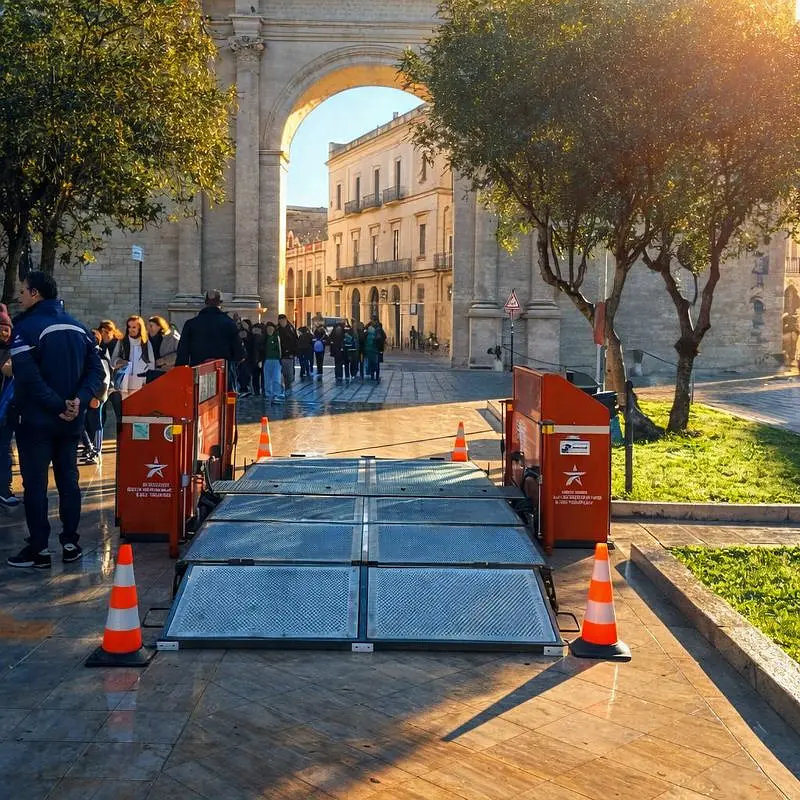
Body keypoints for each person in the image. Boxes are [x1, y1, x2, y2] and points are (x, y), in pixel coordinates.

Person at [7, 271, 104, 568]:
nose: (19, 296)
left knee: (35, 485)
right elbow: (96, 372)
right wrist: (77, 400)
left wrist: (56, 404)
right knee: (68, 481)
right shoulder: (79, 328)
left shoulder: (25, 328)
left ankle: (39, 549)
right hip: (71, 421)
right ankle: (71, 543)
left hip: (36, 420)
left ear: (35, 293)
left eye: (23, 291)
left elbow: (28, 376)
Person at [175, 291, 245, 381]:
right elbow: (239, 353)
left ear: (205, 302)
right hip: (223, 374)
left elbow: (182, 352)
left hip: (198, 373)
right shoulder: (229, 323)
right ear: (221, 303)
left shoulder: (191, 323)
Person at [79, 330, 111, 465]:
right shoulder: (87, 354)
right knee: (84, 423)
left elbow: (105, 378)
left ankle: (96, 450)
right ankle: (89, 447)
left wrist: (97, 397)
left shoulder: (100, 355)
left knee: (96, 424)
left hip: (96, 395)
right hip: (87, 394)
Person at [0, 304, 19, 507]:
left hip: (5, 410)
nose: (4, 332)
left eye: (6, 328)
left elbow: (9, 371)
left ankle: (4, 489)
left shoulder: (12, 349)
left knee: (4, 449)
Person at [113, 316, 155, 394]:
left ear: (140, 328)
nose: (131, 330)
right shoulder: (122, 342)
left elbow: (151, 363)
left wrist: (148, 381)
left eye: (134, 327)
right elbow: (113, 360)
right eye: (129, 327)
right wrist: (120, 361)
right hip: (124, 384)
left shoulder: (146, 343)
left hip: (141, 383)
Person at [98, 320, 124, 425]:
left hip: (117, 384)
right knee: (101, 412)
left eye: (107, 332)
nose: (104, 334)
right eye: (102, 332)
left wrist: (119, 363)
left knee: (119, 412)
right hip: (104, 383)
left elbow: (125, 360)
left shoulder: (120, 343)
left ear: (112, 331)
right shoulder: (100, 345)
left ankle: (121, 435)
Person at [261, 321, 283, 403]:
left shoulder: (277, 337)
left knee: (276, 377)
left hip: (276, 360)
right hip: (267, 360)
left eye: (271, 328)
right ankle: (268, 394)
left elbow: (280, 349)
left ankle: (276, 394)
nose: (269, 330)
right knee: (267, 378)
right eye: (268, 329)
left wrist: (281, 358)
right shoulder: (264, 338)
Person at [276, 314, 298, 390]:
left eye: (283, 320)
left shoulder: (291, 329)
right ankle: (282, 388)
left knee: (289, 374)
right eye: (280, 321)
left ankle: (288, 387)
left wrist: (294, 353)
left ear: (285, 320)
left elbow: (295, 341)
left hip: (289, 355)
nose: (281, 322)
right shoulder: (277, 329)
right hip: (280, 355)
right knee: (280, 373)